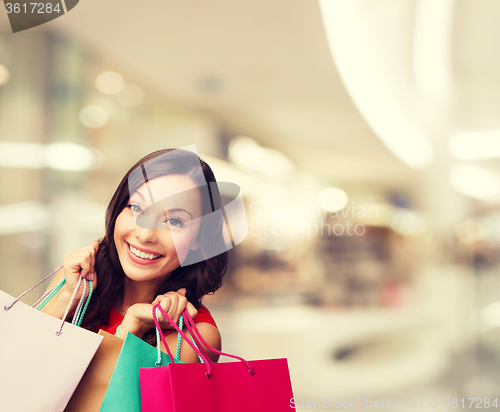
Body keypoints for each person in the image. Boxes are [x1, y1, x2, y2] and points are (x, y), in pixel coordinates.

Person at [41, 148, 228, 363]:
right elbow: (15, 361)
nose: (146, 234)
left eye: (174, 221)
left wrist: (131, 328)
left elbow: (100, 396)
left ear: (198, 237)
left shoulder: (194, 337)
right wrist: (69, 297)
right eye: (137, 208)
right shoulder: (74, 283)